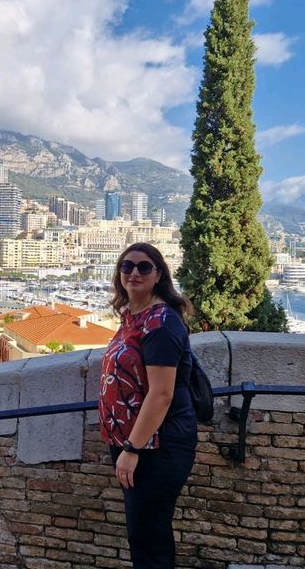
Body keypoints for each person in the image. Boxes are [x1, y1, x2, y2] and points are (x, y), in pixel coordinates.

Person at [99, 242, 198, 569]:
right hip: (136, 443)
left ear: (158, 275)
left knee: (149, 536)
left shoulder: (160, 323)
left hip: (156, 446)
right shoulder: (132, 316)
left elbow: (161, 394)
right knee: (142, 533)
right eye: (127, 266)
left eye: (144, 267)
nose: (134, 272)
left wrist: (132, 449)